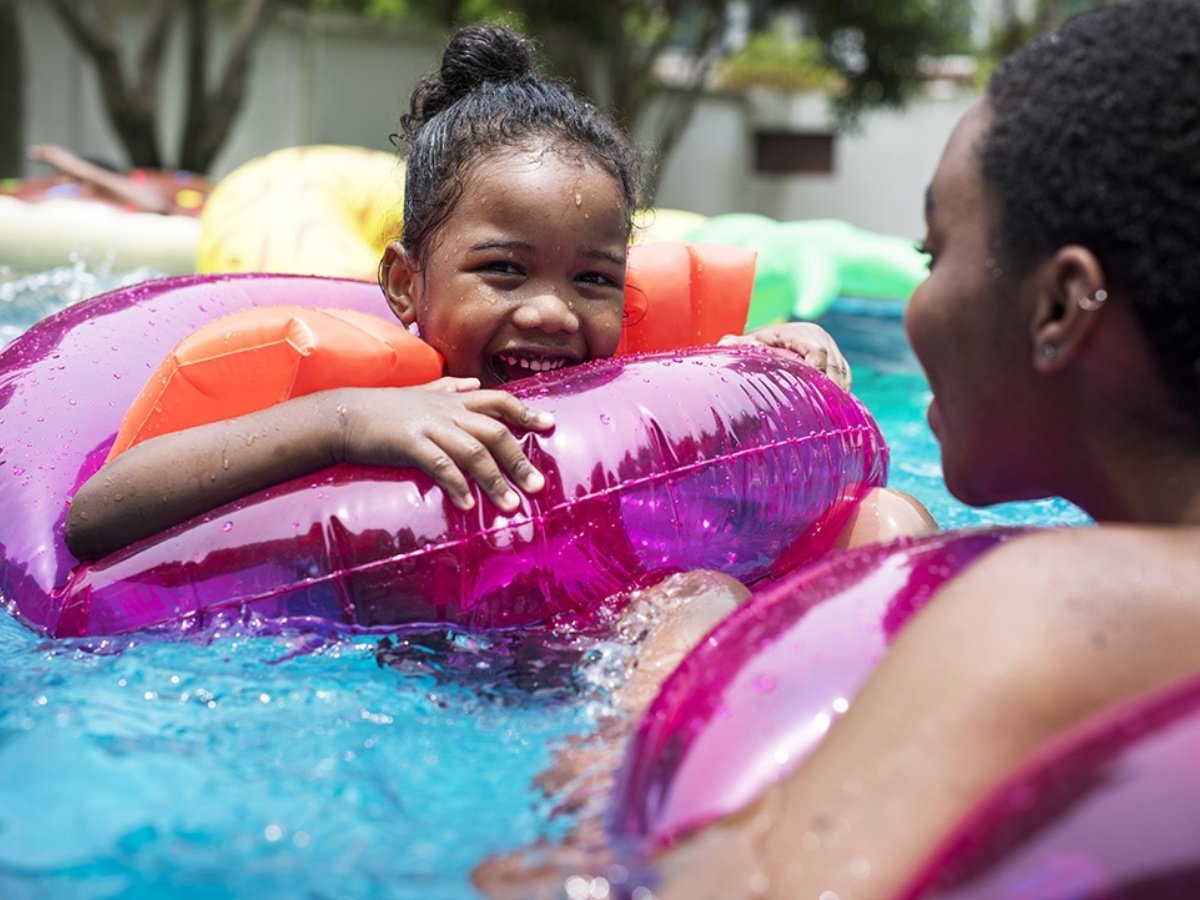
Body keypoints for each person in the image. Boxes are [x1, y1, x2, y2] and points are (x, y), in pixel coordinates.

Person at [474, 1, 1200, 897]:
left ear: (1057, 309)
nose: (915, 307)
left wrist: (571, 836)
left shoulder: (1054, 606)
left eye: (931, 256)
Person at [65, 25, 925, 563]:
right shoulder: (353, 399)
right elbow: (94, 519)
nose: (552, 312)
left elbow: (699, 384)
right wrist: (349, 420)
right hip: (421, 663)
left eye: (593, 279)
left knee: (894, 518)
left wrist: (773, 352)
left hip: (591, 622)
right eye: (504, 271)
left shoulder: (626, 378)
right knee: (690, 603)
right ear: (406, 285)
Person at [24, 143, 208, 215]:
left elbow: (156, 204)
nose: (68, 188)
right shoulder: (62, 203)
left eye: (76, 183)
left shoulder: (127, 201)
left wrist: (78, 167)